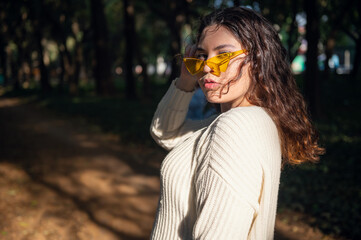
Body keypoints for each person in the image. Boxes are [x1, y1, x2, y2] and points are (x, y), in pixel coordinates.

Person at [149, 6, 324, 240]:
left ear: (259, 61)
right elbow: (165, 133)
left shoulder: (236, 126)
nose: (207, 66)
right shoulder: (244, 121)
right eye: (201, 56)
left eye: (222, 55)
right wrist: (186, 80)